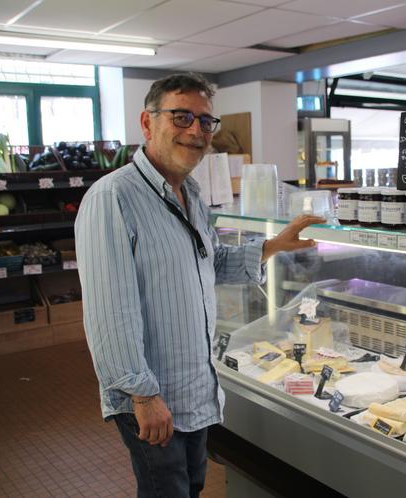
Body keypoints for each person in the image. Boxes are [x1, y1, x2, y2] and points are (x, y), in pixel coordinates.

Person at [74, 72, 324, 498]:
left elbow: (209, 263)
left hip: (194, 386)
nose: (196, 131)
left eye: (206, 121)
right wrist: (142, 394)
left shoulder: (189, 192)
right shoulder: (112, 198)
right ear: (147, 122)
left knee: (191, 487)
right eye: (182, 117)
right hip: (153, 395)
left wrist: (271, 246)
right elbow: (109, 310)